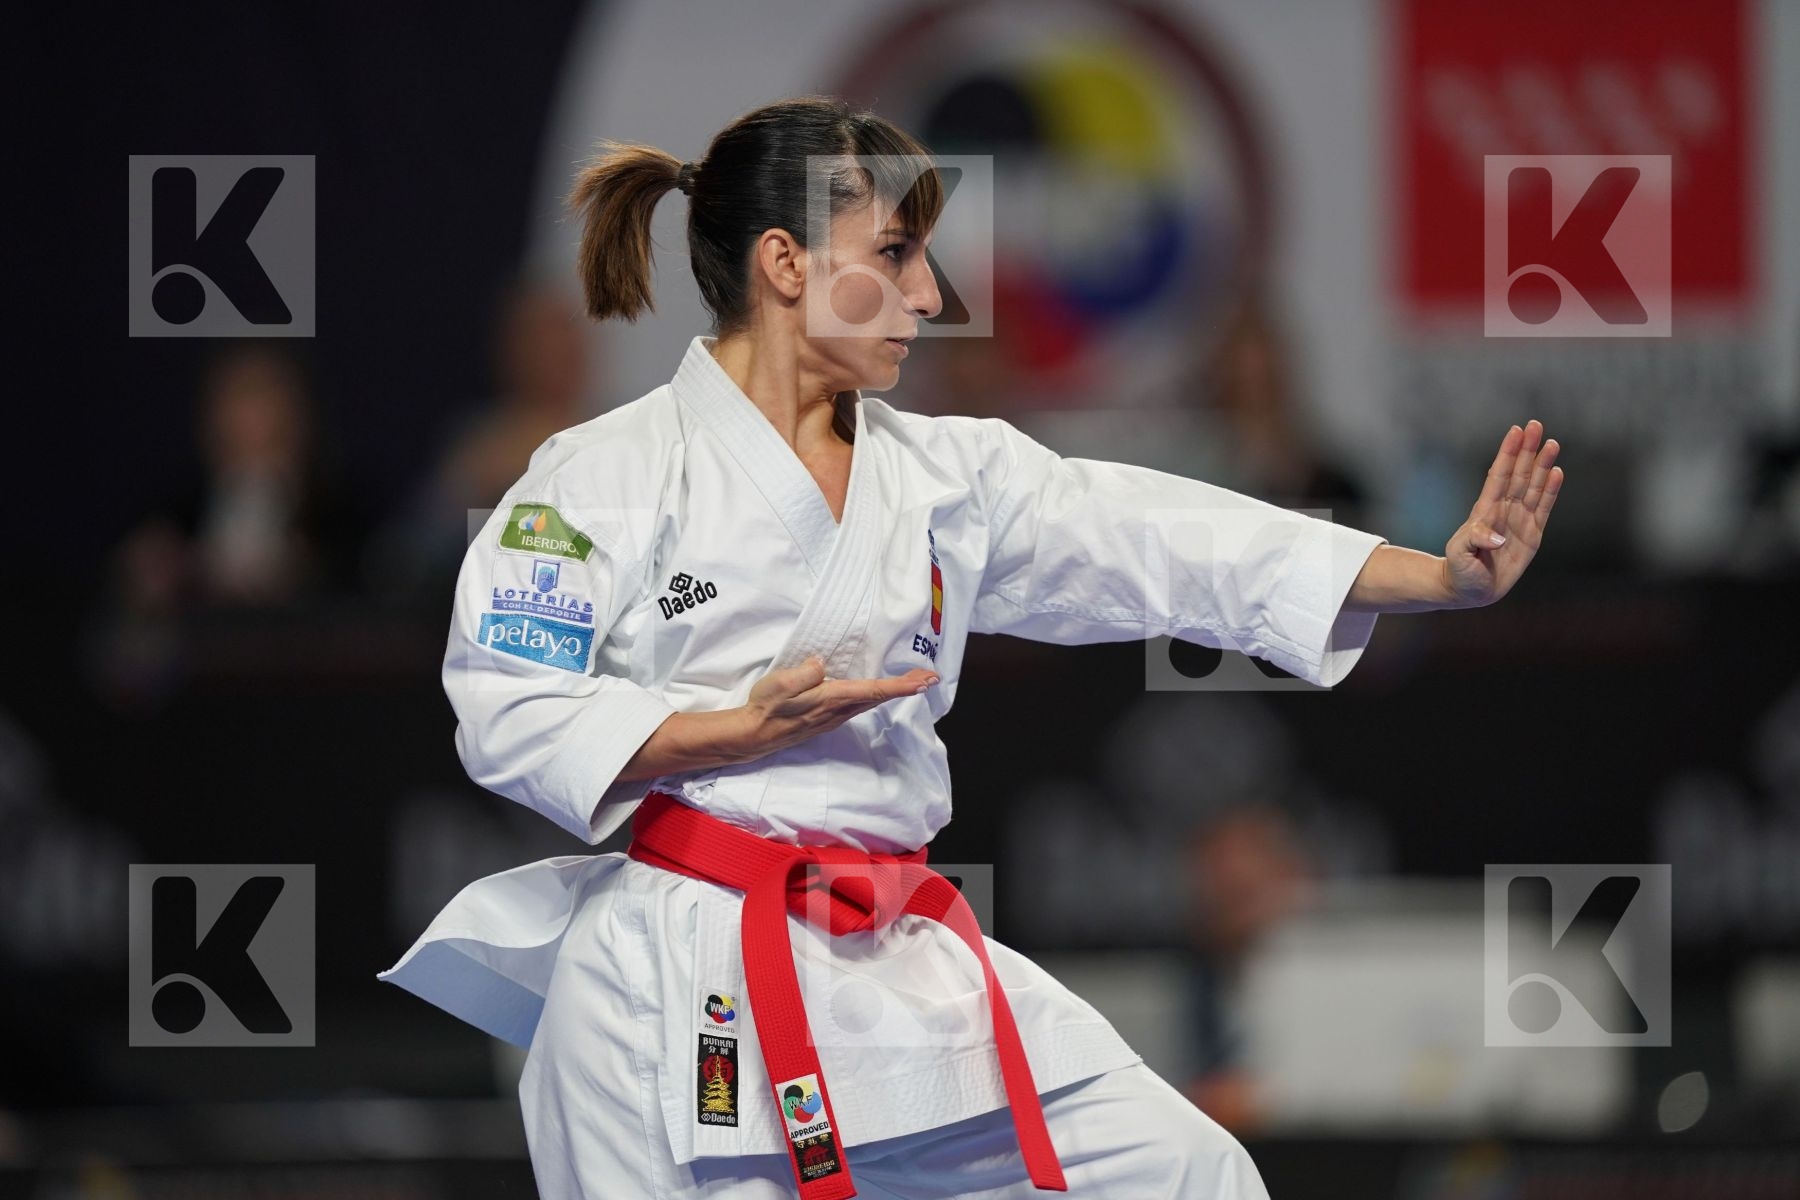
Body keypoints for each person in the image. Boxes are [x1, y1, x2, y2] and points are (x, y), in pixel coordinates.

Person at [377, 95, 1564, 1199]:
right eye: (894, 255)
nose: (933, 296)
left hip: (890, 963)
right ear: (785, 264)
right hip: (671, 990)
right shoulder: (606, 474)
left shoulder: (945, 478)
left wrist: (1430, 577)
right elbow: (507, 697)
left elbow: (1158, 537)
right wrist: (724, 729)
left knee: (1191, 1175)